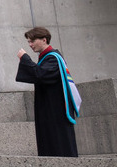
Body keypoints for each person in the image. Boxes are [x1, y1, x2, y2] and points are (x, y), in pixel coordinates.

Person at [16, 26, 80, 157]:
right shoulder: (45, 58)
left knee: (58, 145)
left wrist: (25, 59)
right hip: (49, 109)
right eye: (28, 42)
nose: (30, 45)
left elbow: (39, 74)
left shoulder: (54, 58)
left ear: (44, 40)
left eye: (32, 41)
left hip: (56, 111)